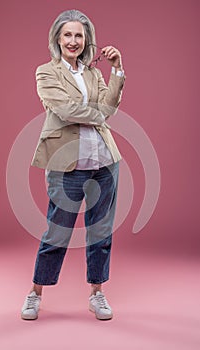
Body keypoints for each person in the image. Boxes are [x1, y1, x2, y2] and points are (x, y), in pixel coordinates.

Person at [21, 9, 126, 321]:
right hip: (67, 165)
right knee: (58, 231)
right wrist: (101, 113)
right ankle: (35, 293)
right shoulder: (46, 72)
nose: (73, 40)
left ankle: (97, 293)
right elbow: (66, 110)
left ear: (86, 40)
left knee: (101, 231)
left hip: (105, 162)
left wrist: (117, 71)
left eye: (79, 35)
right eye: (67, 34)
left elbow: (110, 104)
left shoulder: (94, 73)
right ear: (57, 37)